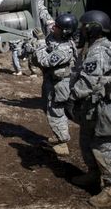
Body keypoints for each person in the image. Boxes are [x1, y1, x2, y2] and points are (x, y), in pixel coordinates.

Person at [68, 10, 111, 207]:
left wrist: (71, 96)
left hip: (105, 108)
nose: (81, 31)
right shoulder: (92, 47)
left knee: (103, 146)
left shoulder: (99, 51)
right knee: (85, 140)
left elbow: (89, 81)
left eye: (84, 27)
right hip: (93, 106)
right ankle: (93, 174)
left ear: (93, 29)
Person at [31, 13, 78, 156]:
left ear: (64, 31)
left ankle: (62, 141)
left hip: (60, 85)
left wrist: (39, 42)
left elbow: (45, 61)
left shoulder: (64, 49)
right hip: (51, 81)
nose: (53, 27)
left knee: (56, 112)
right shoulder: (55, 38)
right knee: (48, 108)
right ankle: (59, 136)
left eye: (57, 26)